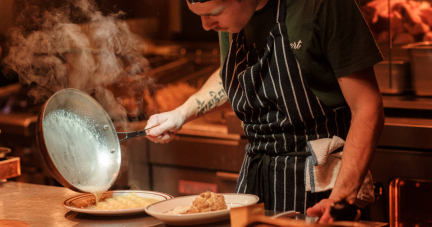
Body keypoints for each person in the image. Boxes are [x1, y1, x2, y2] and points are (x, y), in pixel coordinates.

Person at [145, 0, 385, 222]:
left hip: (320, 185)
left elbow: (367, 106)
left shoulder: (321, 6)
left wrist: (340, 199)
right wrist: (181, 114)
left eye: (213, 13)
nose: (206, 26)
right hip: (255, 179)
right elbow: (228, 75)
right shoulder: (233, 21)